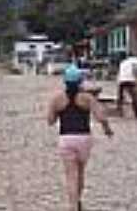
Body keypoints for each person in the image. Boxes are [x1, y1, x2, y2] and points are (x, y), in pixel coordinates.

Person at [48, 64, 113, 211]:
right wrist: (107, 129)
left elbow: (50, 121)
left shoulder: (57, 99)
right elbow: (100, 117)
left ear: (65, 81)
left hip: (66, 139)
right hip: (84, 138)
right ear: (80, 81)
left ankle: (73, 206)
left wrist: (58, 113)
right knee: (80, 173)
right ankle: (78, 201)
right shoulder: (87, 98)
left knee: (71, 175)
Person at [116, 54, 137, 118]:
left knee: (120, 97)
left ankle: (120, 112)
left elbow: (119, 72)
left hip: (121, 80)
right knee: (134, 97)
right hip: (131, 80)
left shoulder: (123, 62)